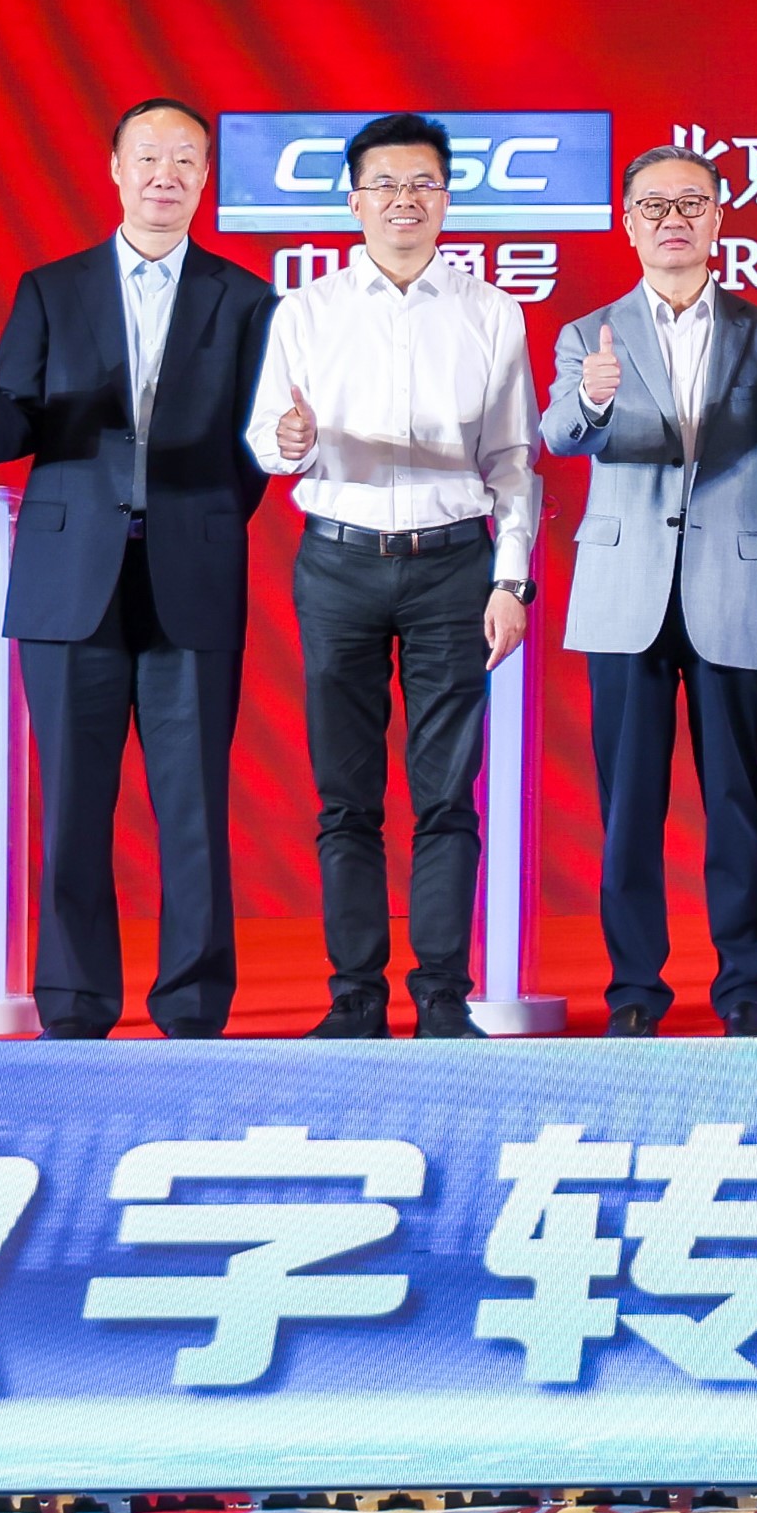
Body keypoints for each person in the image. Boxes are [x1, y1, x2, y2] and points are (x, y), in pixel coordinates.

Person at [0, 96, 276, 1040]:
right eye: (149, 157)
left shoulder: (247, 299)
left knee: (195, 806)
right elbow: (6, 434)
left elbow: (258, 443)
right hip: (69, 579)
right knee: (74, 804)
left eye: (185, 160)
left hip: (190, 574)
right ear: (116, 171)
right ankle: (76, 1000)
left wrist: (200, 519)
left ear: (205, 178)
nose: (166, 175)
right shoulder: (53, 289)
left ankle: (194, 1003)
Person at [245, 113, 542, 1039]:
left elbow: (514, 459)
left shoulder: (491, 312)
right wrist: (287, 440)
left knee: (448, 795)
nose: (404, 200)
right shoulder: (308, 310)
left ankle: (443, 998)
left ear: (447, 198)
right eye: (385, 184)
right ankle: (356, 998)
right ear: (354, 199)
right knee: (347, 797)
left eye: (423, 183)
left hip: (454, 567)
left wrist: (512, 580)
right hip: (339, 561)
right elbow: (267, 439)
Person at [536, 143, 757, 1038]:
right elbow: (559, 434)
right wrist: (594, 399)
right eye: (653, 206)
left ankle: (744, 990)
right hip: (626, 594)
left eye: (691, 203)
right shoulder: (590, 333)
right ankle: (634, 994)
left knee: (737, 801)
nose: (673, 220)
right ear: (628, 224)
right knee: (628, 809)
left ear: (721, 219)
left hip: (737, 587)